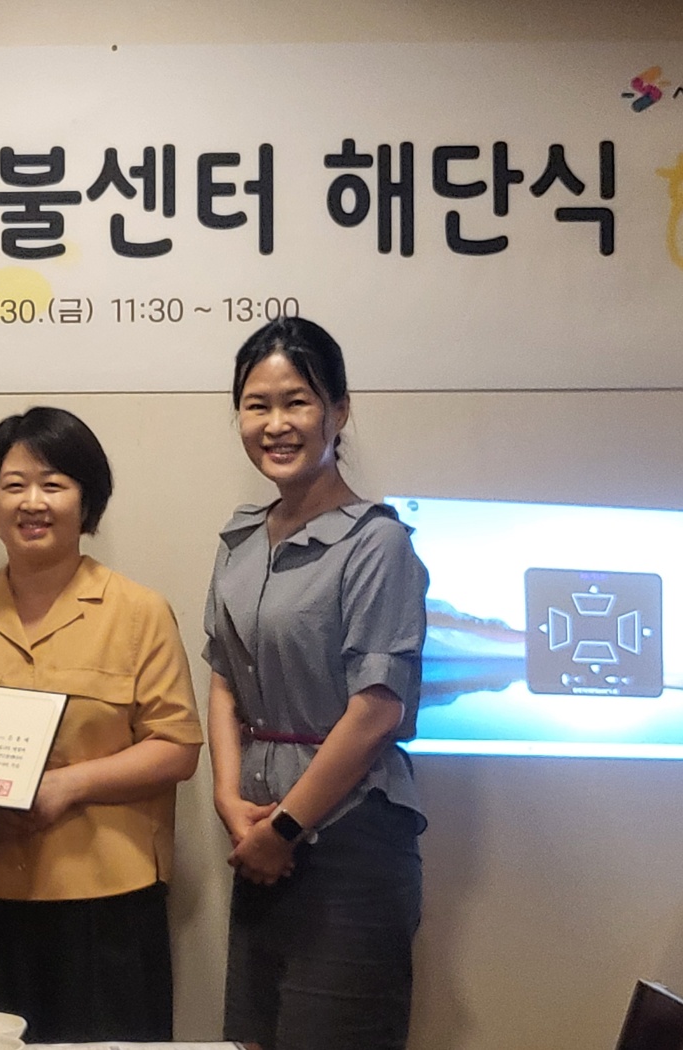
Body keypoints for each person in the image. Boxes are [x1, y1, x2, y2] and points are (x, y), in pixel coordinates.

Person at [0, 406, 203, 1043]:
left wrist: (67, 785)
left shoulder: (139, 611)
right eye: (13, 485)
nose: (33, 502)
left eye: (53, 484)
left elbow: (177, 747)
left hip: (109, 903)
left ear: (88, 500)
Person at [204, 316, 429, 1050]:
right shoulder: (240, 537)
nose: (276, 424)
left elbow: (376, 711)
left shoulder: (378, 542)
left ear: (339, 410)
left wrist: (285, 829)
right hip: (258, 840)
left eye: (296, 402)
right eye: (257, 405)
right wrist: (229, 800)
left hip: (349, 842)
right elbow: (223, 677)